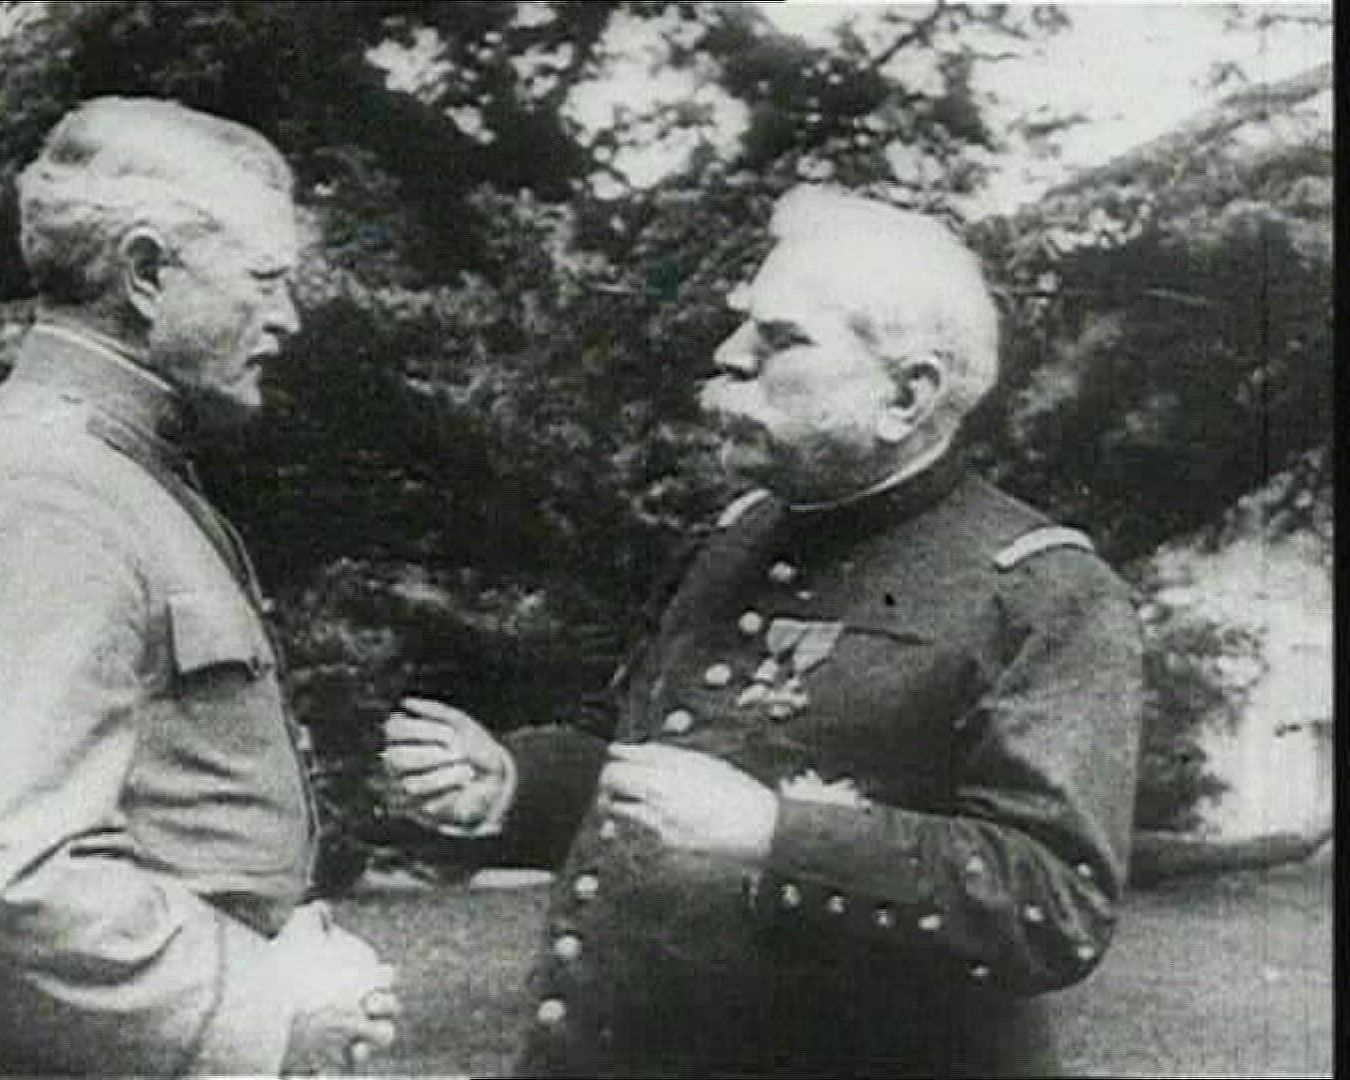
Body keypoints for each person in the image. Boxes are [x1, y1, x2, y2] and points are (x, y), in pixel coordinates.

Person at [382, 185, 1145, 1077]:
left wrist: (777, 833)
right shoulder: (737, 537)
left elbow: (1055, 905)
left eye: (780, 339)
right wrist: (515, 783)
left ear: (907, 394)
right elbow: (650, 764)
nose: (729, 355)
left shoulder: (1042, 591)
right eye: (743, 326)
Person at [0, 97, 400, 1077]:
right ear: (146, 273)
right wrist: (266, 1010)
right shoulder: (42, 493)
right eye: (265, 280)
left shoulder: (112, 473)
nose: (289, 317)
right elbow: (3, 883)